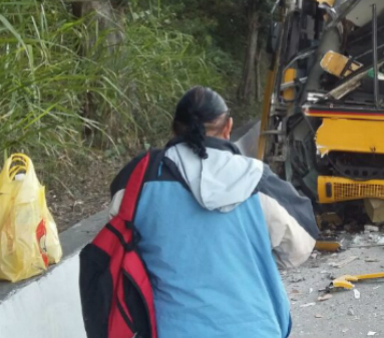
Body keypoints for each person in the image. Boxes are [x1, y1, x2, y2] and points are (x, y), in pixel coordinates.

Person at [109, 86, 318, 338]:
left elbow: (119, 236)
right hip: (255, 329)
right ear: (228, 127)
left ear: (174, 128)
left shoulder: (141, 178)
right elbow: (299, 247)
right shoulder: (255, 178)